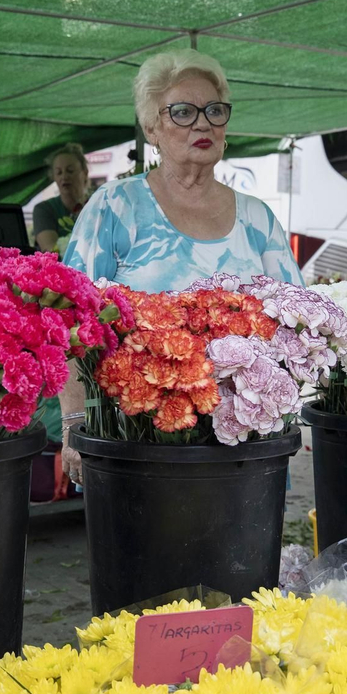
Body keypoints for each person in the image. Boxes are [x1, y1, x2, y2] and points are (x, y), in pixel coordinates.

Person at [58, 48, 302, 482]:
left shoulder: (258, 217)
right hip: (137, 441)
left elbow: (296, 326)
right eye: (183, 112)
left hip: (245, 447)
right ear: (153, 126)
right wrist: (74, 422)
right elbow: (69, 318)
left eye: (214, 110)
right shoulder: (115, 206)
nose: (203, 123)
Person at [31, 144, 90, 254]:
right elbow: (51, 251)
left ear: (85, 173)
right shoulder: (44, 209)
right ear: (54, 177)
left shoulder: (98, 204)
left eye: (70, 171)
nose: (64, 176)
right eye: (59, 172)